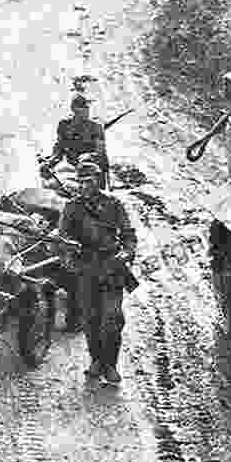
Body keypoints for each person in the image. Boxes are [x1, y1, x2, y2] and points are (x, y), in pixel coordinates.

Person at [58, 160, 137, 384]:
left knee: (113, 319)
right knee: (90, 319)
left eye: (88, 181)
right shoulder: (72, 207)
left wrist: (127, 252)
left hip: (112, 267)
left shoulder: (114, 205)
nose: (84, 186)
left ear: (98, 180)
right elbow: (62, 239)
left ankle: (110, 365)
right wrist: (68, 257)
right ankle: (96, 361)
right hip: (86, 269)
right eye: (80, 182)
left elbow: (128, 234)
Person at [40, 93, 109, 189]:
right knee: (46, 171)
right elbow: (58, 149)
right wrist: (49, 162)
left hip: (91, 165)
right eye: (81, 108)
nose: (85, 111)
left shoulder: (96, 127)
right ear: (73, 109)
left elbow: (100, 152)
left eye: (86, 108)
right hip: (71, 165)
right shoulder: (64, 125)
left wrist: (87, 157)